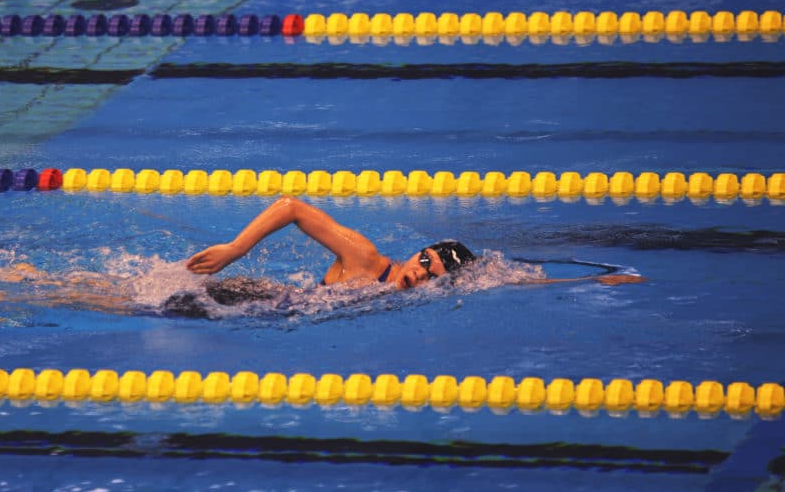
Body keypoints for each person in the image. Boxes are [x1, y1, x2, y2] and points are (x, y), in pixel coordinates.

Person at [186, 196, 644, 288]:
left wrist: (591, 282)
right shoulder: (365, 259)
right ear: (416, 251)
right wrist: (236, 249)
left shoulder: (416, 292)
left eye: (432, 274)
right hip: (247, 299)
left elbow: (514, 281)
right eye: (424, 260)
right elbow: (291, 206)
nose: (420, 272)